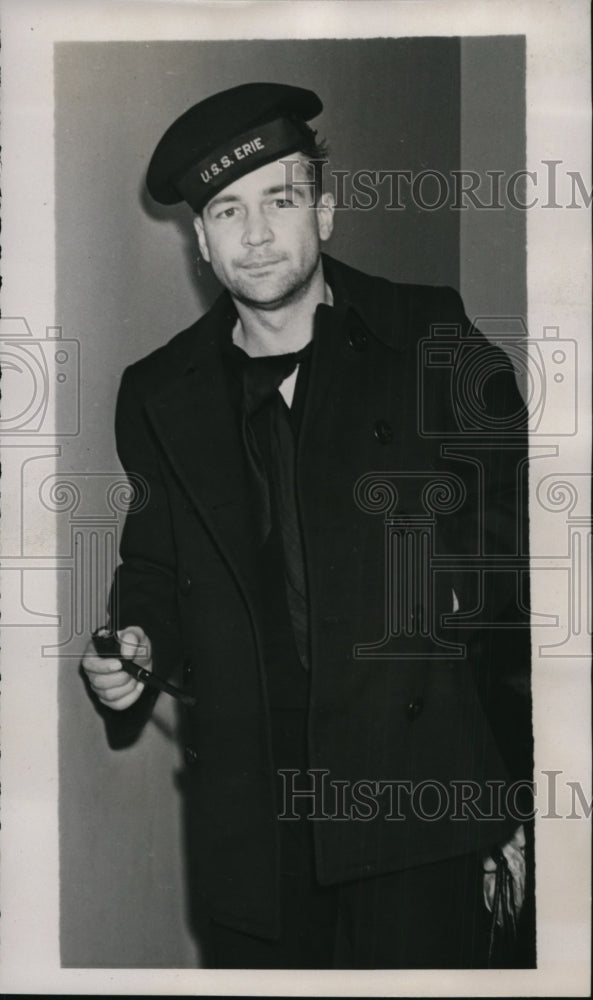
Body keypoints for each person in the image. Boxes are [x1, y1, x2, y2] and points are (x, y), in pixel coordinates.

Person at [82, 81, 533, 969]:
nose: (254, 234)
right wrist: (132, 648)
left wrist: (507, 801)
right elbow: (155, 568)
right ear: (202, 244)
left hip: (414, 806)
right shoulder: (157, 393)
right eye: (225, 211)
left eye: (279, 201)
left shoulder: (430, 338)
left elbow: (513, 585)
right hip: (255, 819)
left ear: (323, 212)